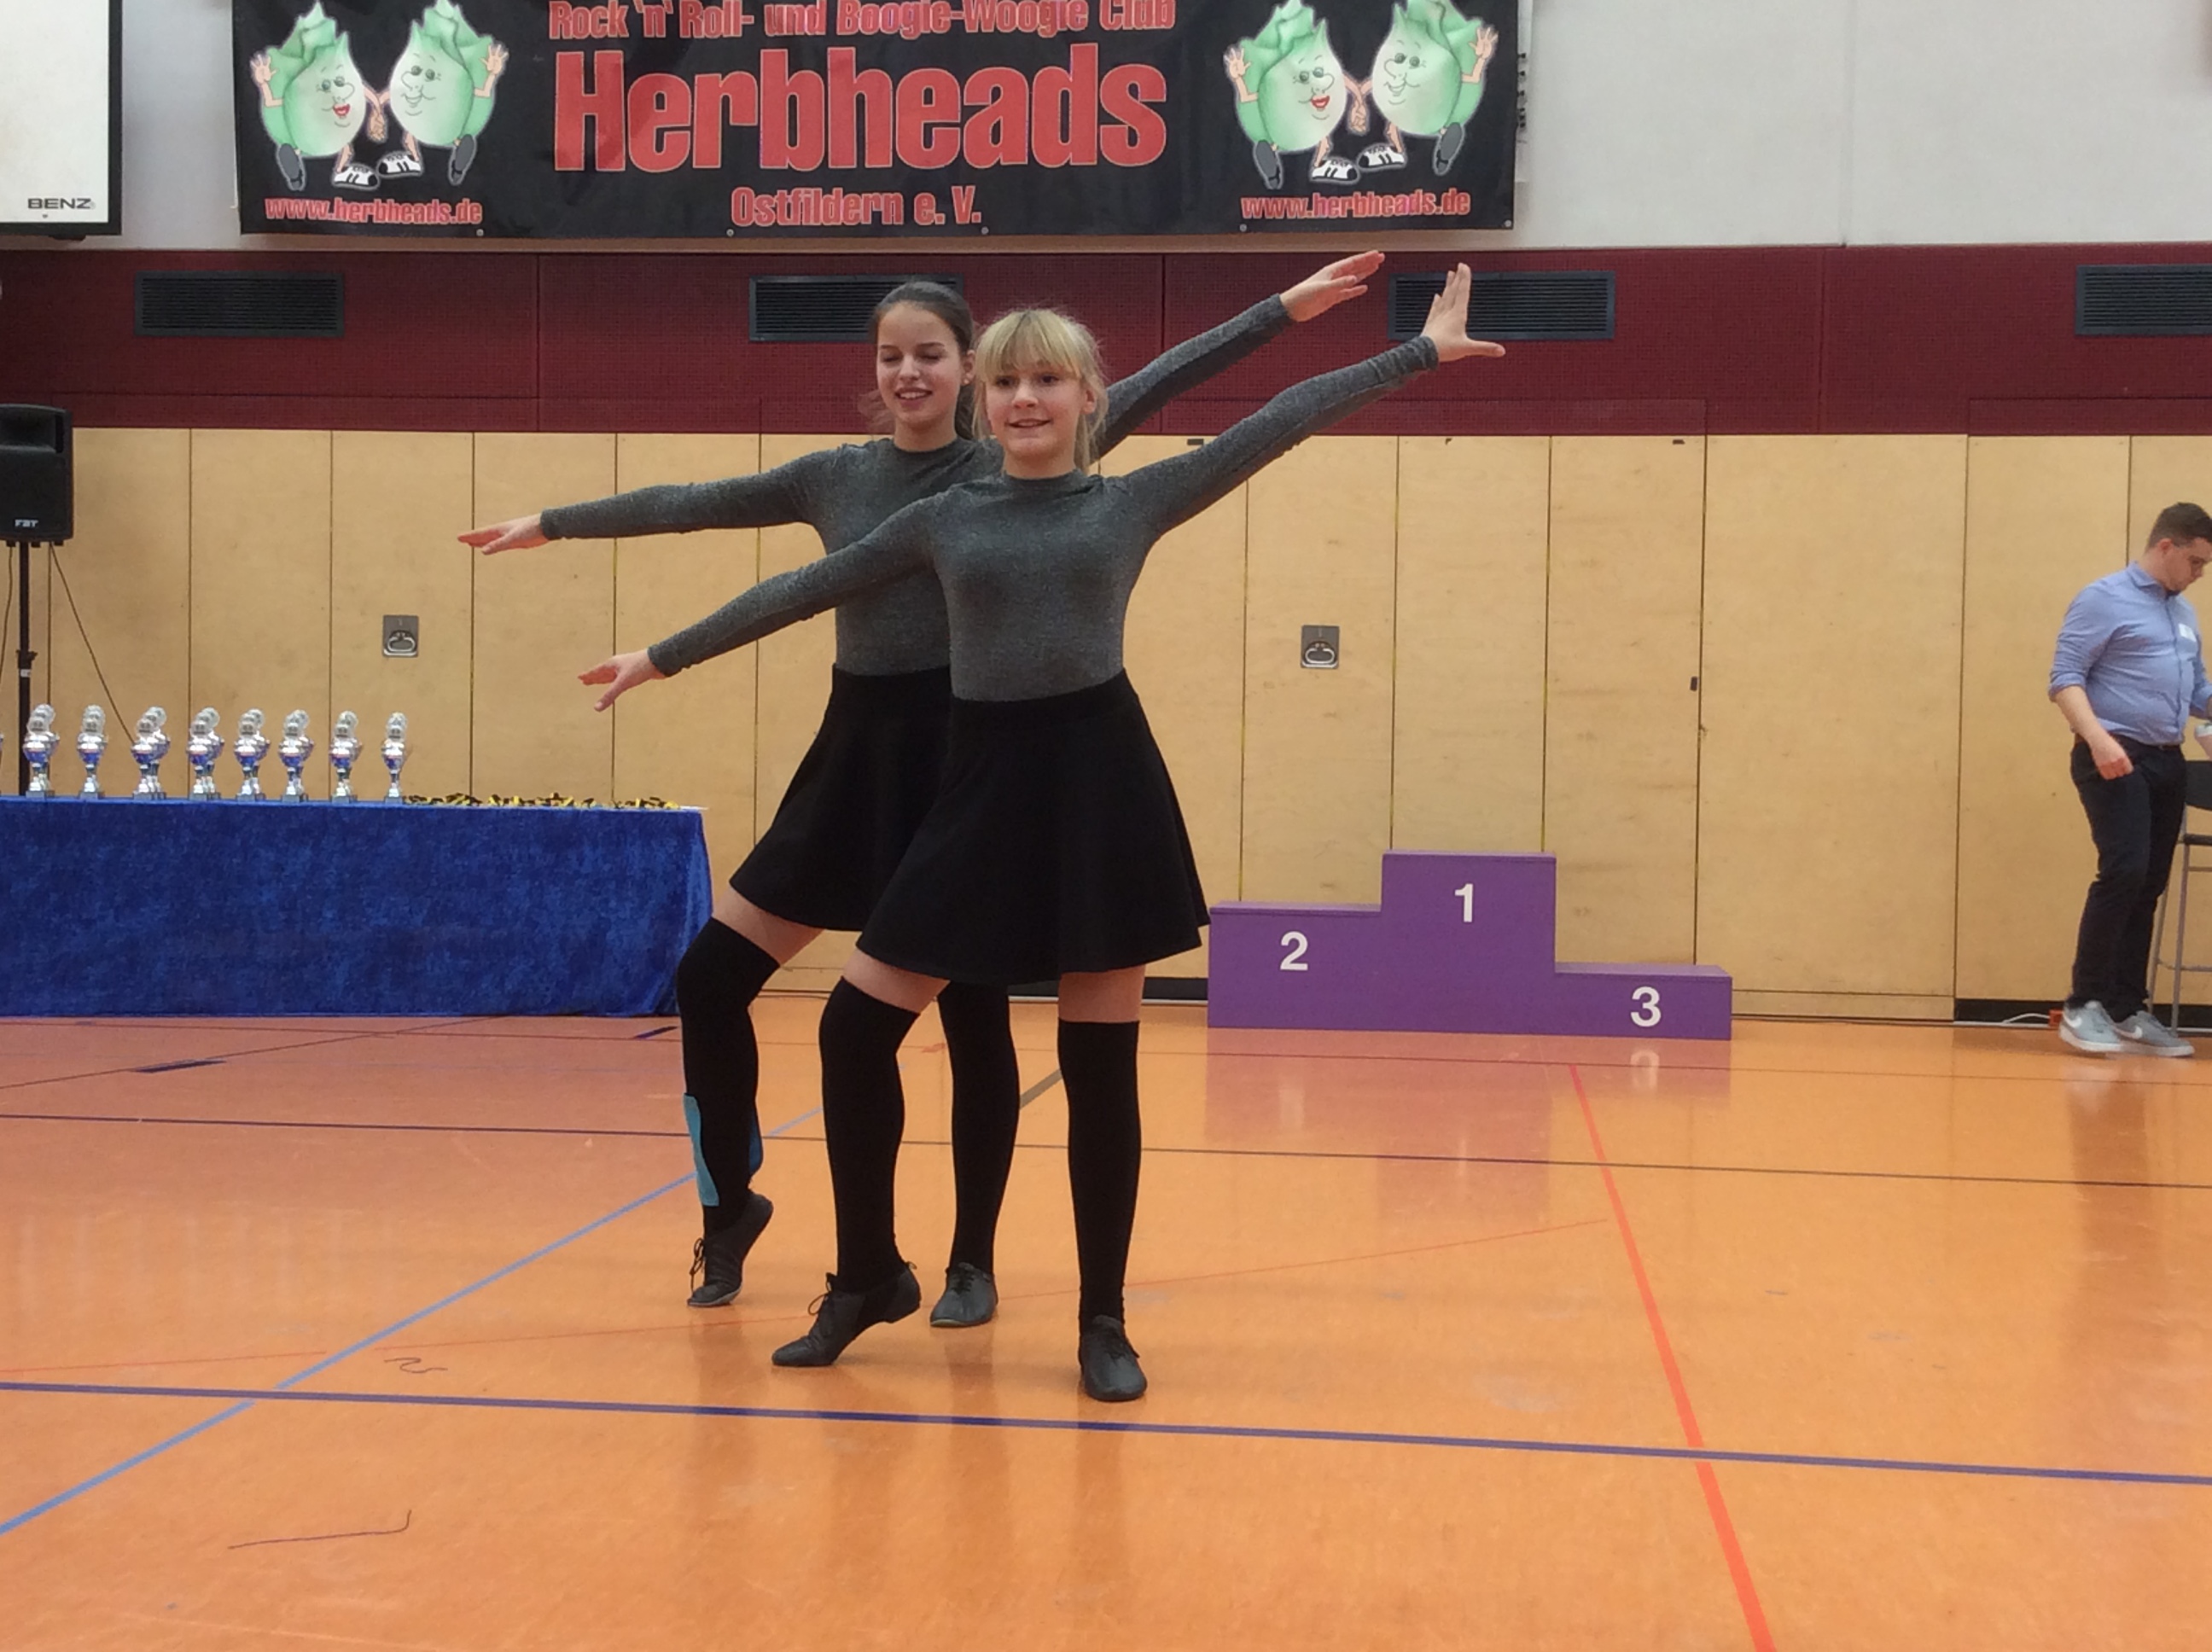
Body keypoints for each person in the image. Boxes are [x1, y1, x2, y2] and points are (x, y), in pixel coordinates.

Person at [583, 265, 1502, 1400]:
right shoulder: (941, 517)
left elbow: (1278, 420)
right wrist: (661, 656)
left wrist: (1417, 352)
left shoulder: (1130, 502)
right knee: (853, 1027)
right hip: (976, 788)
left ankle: (1102, 1320)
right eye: (1008, 382)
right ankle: (867, 1274)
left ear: (1087, 399)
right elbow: (807, 588)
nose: (1024, 398)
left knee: (1098, 1063)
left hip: (1098, 788)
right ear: (986, 399)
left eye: (1048, 381)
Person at [2048, 503, 2212, 1057]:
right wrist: (2098, 739)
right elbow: (2065, 678)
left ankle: (2125, 1007)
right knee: (2124, 870)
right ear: (2166, 546)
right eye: (2195, 561)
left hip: (2166, 759)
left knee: (2148, 885)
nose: (2199, 574)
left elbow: (2197, 691)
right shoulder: (2104, 598)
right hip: (2114, 753)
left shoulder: (2183, 613)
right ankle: (2083, 1004)